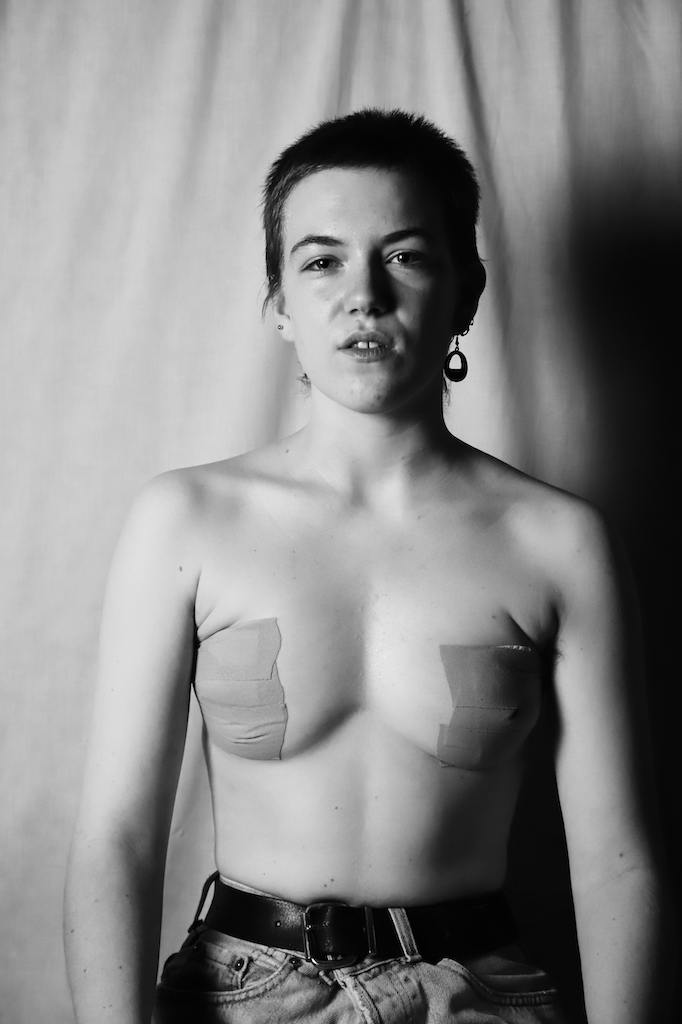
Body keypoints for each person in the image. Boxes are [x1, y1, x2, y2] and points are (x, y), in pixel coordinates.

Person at [64, 109, 669, 1024]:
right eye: (322, 262)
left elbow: (618, 860)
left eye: (407, 256)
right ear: (279, 303)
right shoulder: (187, 523)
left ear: (465, 292)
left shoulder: (556, 542)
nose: (364, 296)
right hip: (242, 994)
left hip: (477, 996)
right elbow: (117, 839)